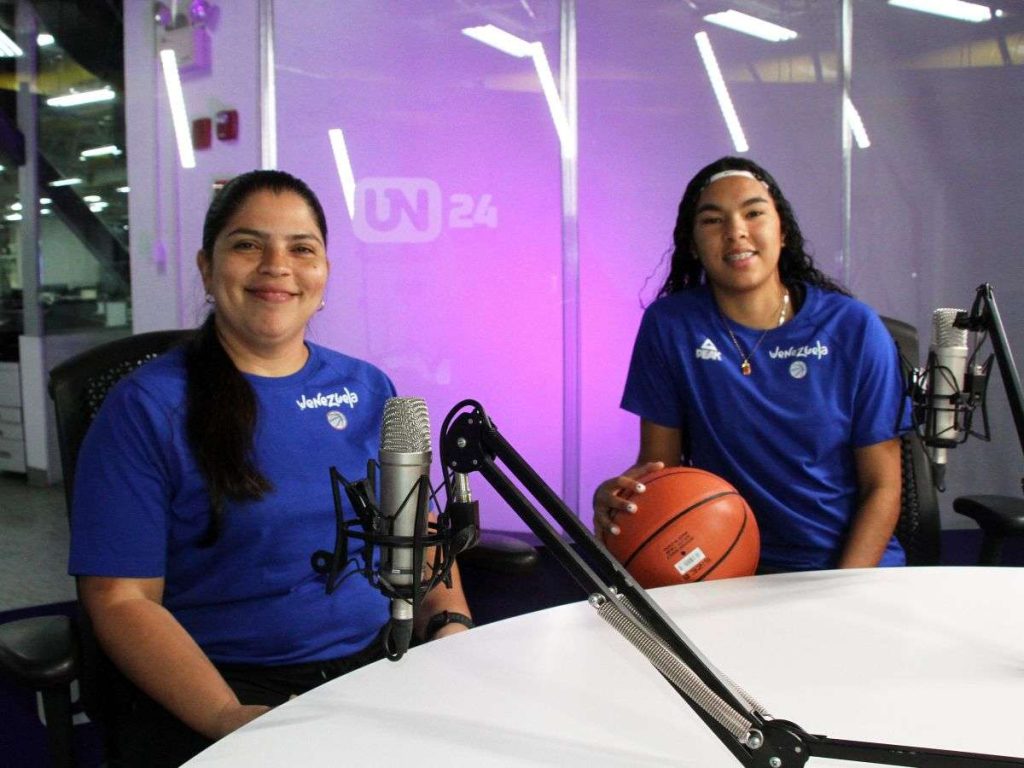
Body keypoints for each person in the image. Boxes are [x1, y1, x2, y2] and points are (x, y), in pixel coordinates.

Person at [68, 170, 472, 767]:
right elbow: (122, 597)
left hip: (379, 660)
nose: (276, 266)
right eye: (247, 244)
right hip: (224, 687)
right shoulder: (146, 406)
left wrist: (450, 621)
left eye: (301, 248)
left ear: (325, 274)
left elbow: (419, 530)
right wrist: (227, 717)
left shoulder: (368, 387)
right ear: (207, 269)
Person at [593, 156, 909, 573]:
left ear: (783, 231)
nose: (736, 231)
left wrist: (843, 589)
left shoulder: (854, 328)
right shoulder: (671, 326)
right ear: (692, 244)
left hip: (848, 567)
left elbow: (882, 486)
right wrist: (618, 495)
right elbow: (661, 468)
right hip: (729, 569)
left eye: (754, 212)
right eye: (712, 220)